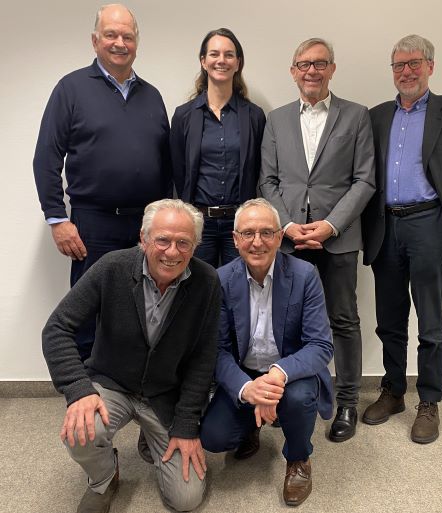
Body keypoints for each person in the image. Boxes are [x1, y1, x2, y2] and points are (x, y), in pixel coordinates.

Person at [42, 199, 221, 513]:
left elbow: (203, 358)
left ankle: (150, 435)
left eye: (184, 242)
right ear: (144, 238)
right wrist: (78, 390)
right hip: (112, 384)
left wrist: (186, 426)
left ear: (195, 246)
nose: (172, 251)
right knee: (82, 432)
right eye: (162, 240)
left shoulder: (207, 282)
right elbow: (57, 327)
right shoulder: (112, 266)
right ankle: (104, 478)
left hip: (165, 394)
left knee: (186, 499)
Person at [361, 35, 442, 444]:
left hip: (429, 224)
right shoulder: (377, 116)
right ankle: (393, 391)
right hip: (386, 227)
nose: (406, 72)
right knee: (389, 321)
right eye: (398, 65)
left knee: (430, 322)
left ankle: (429, 401)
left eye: (414, 63)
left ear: (430, 65)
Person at [33, 4, 171, 360]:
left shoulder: (152, 96)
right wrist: (57, 219)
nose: (119, 42)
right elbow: (46, 157)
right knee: (87, 310)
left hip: (144, 225)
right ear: (95, 41)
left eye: (127, 35)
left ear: (136, 43)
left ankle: (129, 387)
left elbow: (167, 164)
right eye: (111, 35)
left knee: (143, 307)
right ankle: (85, 395)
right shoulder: (71, 88)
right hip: (92, 223)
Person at [259, 38, 375, 443]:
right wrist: (288, 226)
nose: (312, 71)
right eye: (304, 64)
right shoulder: (276, 120)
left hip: (338, 239)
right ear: (293, 70)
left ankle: (346, 402)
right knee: (288, 322)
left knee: (343, 320)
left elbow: (365, 180)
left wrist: (331, 225)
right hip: (289, 242)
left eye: (320, 63)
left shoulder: (356, 116)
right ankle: (295, 396)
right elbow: (267, 181)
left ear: (332, 68)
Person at [200, 198, 333, 506]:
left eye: (266, 233)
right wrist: (248, 389)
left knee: (299, 398)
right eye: (248, 233)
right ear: (235, 239)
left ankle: (299, 459)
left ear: (278, 236)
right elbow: (216, 350)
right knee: (214, 437)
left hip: (290, 371)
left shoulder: (304, 275)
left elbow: (320, 345)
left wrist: (278, 373)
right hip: (244, 372)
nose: (257, 242)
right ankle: (251, 425)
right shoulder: (220, 280)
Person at [170, 28, 266, 268]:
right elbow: (178, 173)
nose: (221, 60)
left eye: (229, 55)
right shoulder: (183, 116)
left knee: (240, 291)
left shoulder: (254, 116)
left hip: (241, 224)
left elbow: (260, 172)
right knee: (199, 293)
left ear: (238, 63)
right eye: (214, 54)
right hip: (199, 223)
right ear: (203, 61)